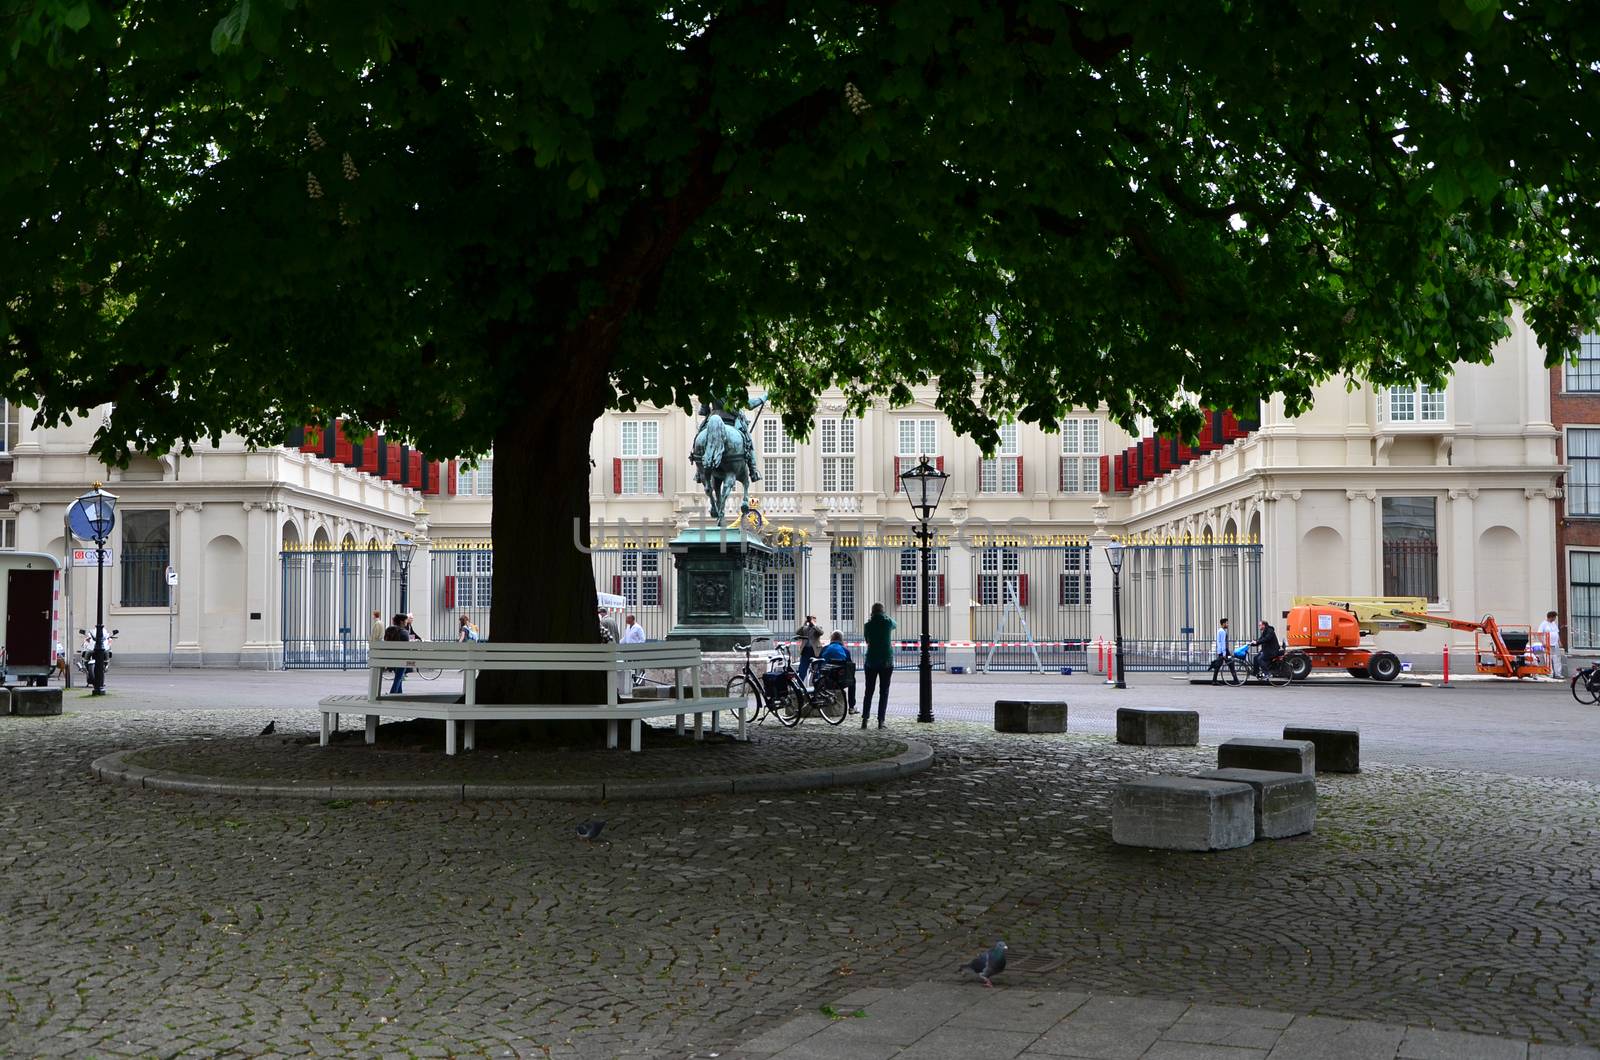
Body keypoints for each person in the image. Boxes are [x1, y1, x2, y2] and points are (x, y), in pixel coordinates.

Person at [861, 602, 895, 729]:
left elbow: (867, 640)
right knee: (884, 691)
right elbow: (894, 624)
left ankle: (865, 719)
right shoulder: (887, 623)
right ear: (883, 612)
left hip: (871, 660)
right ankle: (881, 721)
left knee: (868, 691)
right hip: (886, 660)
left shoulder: (868, 625)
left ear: (872, 612)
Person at [817, 630, 856, 712]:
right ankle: (851, 707)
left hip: (825, 681)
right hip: (840, 682)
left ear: (831, 638)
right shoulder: (845, 650)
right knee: (853, 681)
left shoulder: (825, 649)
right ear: (842, 639)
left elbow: (819, 665)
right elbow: (849, 667)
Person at [383, 613, 410, 694]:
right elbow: (407, 648)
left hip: (390, 658)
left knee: (399, 676)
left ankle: (399, 694)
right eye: (406, 621)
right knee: (398, 677)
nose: (407, 622)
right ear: (401, 622)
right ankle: (392, 694)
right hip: (401, 659)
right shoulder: (404, 632)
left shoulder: (388, 630)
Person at [795, 615, 823, 681]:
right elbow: (797, 632)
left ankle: (817, 685)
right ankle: (800, 685)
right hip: (805, 650)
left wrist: (813, 625)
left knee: (816, 669)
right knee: (802, 669)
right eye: (810, 619)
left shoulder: (818, 627)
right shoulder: (805, 628)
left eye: (812, 619)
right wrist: (804, 624)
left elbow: (821, 632)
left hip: (815, 651)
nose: (810, 621)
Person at [1209, 617, 1236, 685]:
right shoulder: (1222, 632)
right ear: (1223, 624)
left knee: (1219, 665)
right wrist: (1224, 653)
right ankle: (1236, 680)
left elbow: (1219, 642)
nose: (1228, 624)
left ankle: (1214, 680)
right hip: (1225, 651)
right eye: (1227, 623)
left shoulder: (1220, 631)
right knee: (1231, 663)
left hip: (1222, 651)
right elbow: (1223, 643)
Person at [1537, 610, 1563, 677]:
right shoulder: (1543, 624)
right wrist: (1543, 642)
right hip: (1548, 644)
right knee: (1548, 658)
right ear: (1551, 617)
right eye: (1554, 617)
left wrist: (1559, 641)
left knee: (1557, 659)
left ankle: (1558, 674)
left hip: (1555, 644)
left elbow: (1557, 633)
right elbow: (1539, 634)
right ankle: (1550, 673)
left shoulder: (1554, 624)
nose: (1555, 619)